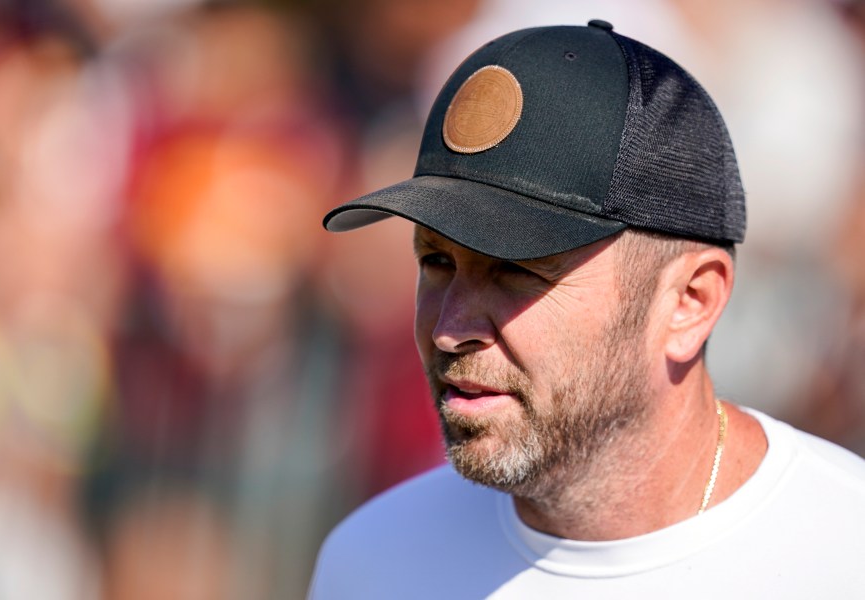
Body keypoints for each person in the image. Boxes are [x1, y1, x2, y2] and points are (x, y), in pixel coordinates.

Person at [308, 21, 865, 598]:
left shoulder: (842, 552)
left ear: (689, 303)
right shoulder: (373, 560)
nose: (451, 329)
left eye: (517, 270)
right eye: (437, 262)